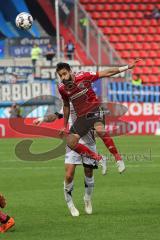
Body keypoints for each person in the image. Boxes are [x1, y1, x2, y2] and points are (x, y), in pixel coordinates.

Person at [57, 59, 141, 174]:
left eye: (64, 74)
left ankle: (118, 159)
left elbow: (106, 73)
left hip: (94, 110)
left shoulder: (84, 76)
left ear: (70, 71)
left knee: (100, 130)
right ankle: (99, 158)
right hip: (81, 117)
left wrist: (126, 67)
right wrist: (64, 126)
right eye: (60, 75)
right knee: (71, 142)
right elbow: (66, 105)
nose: (63, 77)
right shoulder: (62, 88)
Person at [33, 109, 102, 217]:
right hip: (73, 142)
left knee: (89, 172)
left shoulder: (90, 104)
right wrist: (43, 119)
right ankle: (70, 203)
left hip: (89, 143)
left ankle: (87, 199)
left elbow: (99, 125)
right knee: (69, 175)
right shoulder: (69, 103)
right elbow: (56, 115)